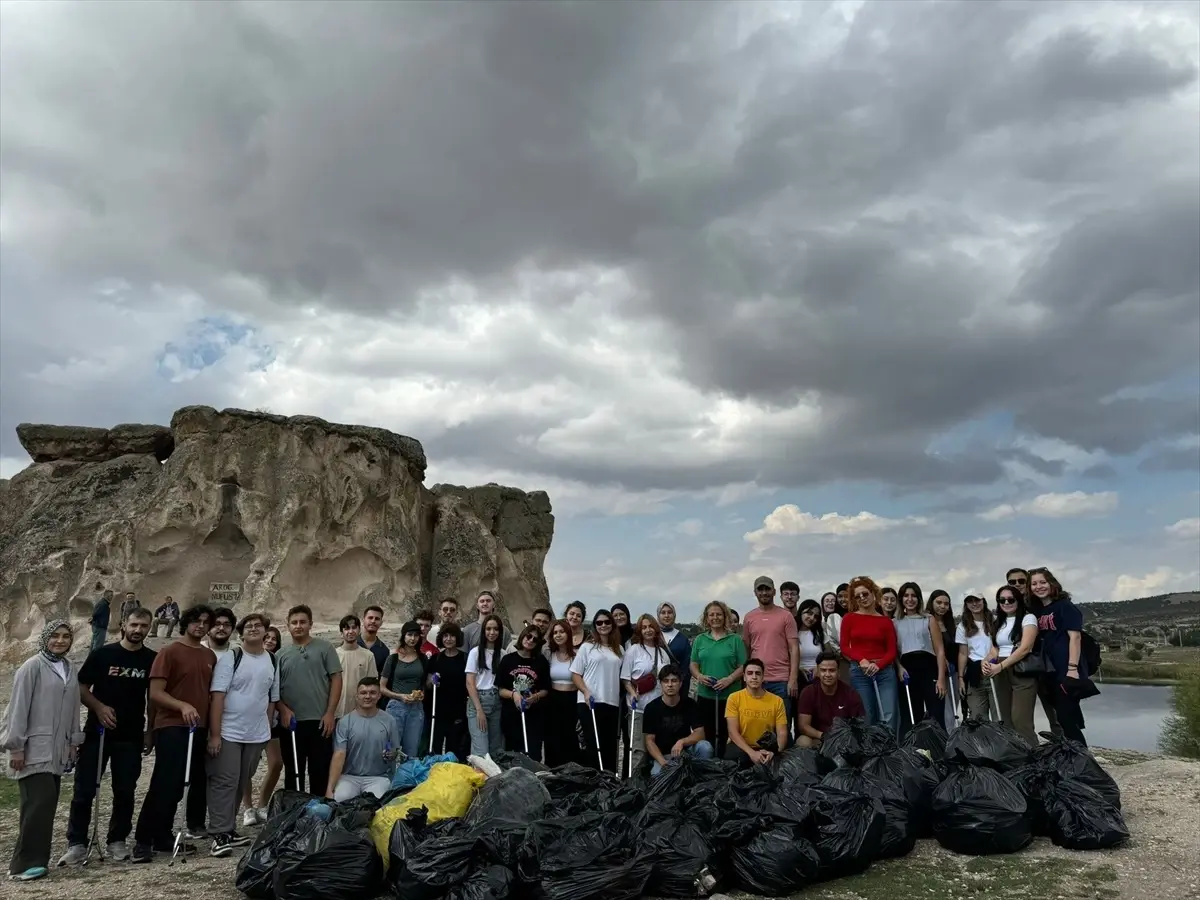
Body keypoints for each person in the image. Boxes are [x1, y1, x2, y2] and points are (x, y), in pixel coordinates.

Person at [59, 608, 155, 867]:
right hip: (97, 734)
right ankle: (77, 843)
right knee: (84, 789)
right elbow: (81, 687)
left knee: (125, 790)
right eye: (134, 624)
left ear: (149, 628)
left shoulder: (151, 659)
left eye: (144, 626)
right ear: (124, 625)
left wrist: (150, 731)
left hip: (131, 734)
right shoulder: (103, 654)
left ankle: (117, 840)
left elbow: (153, 698)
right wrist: (99, 707)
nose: (138, 630)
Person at [132, 604, 216, 864]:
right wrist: (182, 706)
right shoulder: (169, 652)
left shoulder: (209, 655)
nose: (200, 626)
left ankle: (163, 835)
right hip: (171, 725)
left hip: (197, 728)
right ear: (186, 623)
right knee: (163, 782)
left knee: (181, 784)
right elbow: (156, 693)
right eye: (195, 621)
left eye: (205, 622)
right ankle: (143, 841)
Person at [3, 621, 84, 882]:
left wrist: (73, 742)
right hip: (32, 749)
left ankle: (33, 861)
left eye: (66, 637)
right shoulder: (32, 667)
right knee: (38, 803)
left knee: (45, 805)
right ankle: (24, 865)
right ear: (46, 638)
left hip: (57, 750)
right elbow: (17, 708)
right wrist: (15, 747)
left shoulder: (69, 668)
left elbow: (73, 708)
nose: (60, 641)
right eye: (55, 636)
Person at [206, 613, 279, 857]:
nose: (254, 629)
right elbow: (217, 695)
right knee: (225, 781)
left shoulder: (271, 659)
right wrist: (215, 734)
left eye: (258, 625)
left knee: (240, 780)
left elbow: (271, 698)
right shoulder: (232, 657)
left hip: (256, 733)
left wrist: (266, 729)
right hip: (229, 730)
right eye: (248, 626)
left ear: (266, 631)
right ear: (241, 633)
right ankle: (218, 834)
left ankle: (229, 828)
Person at [276, 604, 343, 798]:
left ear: (310, 624)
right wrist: (283, 710)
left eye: (303, 622)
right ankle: (294, 811)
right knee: (293, 771)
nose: (298, 626)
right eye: (294, 622)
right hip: (292, 723)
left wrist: (330, 712)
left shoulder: (325, 648)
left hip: (320, 721)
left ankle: (317, 813)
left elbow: (336, 679)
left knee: (319, 771)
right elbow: (273, 690)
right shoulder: (280, 655)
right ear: (287, 626)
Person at [1029, 567, 1094, 745]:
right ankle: (1074, 757)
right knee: (1062, 717)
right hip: (1048, 670)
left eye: (1042, 582)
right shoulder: (1036, 611)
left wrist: (1072, 669)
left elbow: (1075, 637)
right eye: (1034, 584)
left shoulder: (1065, 606)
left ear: (1052, 583)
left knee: (1067, 718)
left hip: (1066, 669)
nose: (1038, 586)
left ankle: (1083, 758)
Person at [841, 576, 900, 734]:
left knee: (888, 714)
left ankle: (889, 752)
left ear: (873, 594)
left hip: (884, 672)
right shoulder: (849, 618)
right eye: (857, 596)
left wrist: (878, 665)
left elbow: (891, 651)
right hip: (860, 671)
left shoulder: (885, 621)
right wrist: (862, 660)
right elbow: (845, 646)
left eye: (865, 594)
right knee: (866, 714)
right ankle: (868, 753)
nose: (862, 598)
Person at [327, 678, 401, 801]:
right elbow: (339, 755)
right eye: (363, 693)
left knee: (377, 805)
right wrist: (330, 789)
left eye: (372, 693)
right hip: (349, 777)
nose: (368, 696)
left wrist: (392, 754)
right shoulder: (345, 722)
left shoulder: (389, 721)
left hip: (378, 778)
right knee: (340, 800)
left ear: (379, 696)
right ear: (357, 696)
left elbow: (395, 751)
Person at [742, 576, 799, 730]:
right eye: (760, 589)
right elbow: (746, 650)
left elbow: (794, 648)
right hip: (756, 679)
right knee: (759, 727)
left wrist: (793, 678)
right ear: (755, 592)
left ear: (774, 592)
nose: (764, 592)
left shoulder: (786, 616)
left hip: (781, 680)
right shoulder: (749, 617)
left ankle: (785, 754)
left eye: (767, 589)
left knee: (783, 726)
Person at [984, 585, 1039, 747]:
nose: (1006, 602)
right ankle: (1013, 757)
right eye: (1002, 600)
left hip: (1021, 670)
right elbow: (994, 649)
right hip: (1000, 670)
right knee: (1004, 718)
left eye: (1011, 599)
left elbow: (1025, 648)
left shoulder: (1028, 618)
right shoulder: (997, 622)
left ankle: (1034, 757)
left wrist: (1000, 667)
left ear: (1018, 600)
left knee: (1021, 720)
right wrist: (985, 662)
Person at [690, 601, 746, 758]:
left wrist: (729, 679)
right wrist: (700, 676)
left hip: (730, 696)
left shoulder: (735, 640)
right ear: (707, 618)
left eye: (719, 614)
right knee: (706, 735)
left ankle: (726, 766)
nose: (715, 617)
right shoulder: (700, 640)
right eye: (712, 615)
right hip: (705, 695)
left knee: (727, 734)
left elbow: (743, 666)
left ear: (725, 616)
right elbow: (693, 665)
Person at [570, 609, 624, 772]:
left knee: (610, 745)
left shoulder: (619, 650)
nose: (603, 625)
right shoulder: (588, 647)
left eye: (607, 622)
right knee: (593, 744)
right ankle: (593, 781)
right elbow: (576, 674)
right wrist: (586, 691)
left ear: (612, 624)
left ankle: (609, 780)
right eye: (599, 623)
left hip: (611, 702)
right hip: (590, 701)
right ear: (594, 626)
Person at [893, 582, 948, 732]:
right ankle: (912, 752)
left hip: (929, 668)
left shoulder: (928, 619)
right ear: (901, 599)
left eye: (913, 596)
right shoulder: (895, 622)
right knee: (910, 716)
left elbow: (940, 650)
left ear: (919, 599)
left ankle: (941, 751)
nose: (910, 599)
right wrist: (899, 667)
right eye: (906, 596)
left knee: (936, 714)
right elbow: (894, 651)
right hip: (907, 670)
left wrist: (941, 679)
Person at [621, 615, 672, 773]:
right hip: (640, 708)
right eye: (644, 627)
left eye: (651, 626)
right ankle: (634, 784)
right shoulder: (633, 650)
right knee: (639, 750)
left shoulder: (663, 652)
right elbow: (625, 678)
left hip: (658, 709)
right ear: (639, 631)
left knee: (657, 748)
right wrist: (632, 693)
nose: (648, 630)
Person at [245, 625, 285, 825]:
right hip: (249, 719)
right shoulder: (246, 658)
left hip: (272, 720)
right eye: (267, 637)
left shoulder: (275, 661)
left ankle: (262, 804)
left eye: (274, 639)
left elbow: (277, 692)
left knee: (276, 763)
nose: (270, 641)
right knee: (246, 767)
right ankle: (247, 809)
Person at [643, 665, 713, 776]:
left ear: (680, 684)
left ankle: (699, 779)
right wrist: (663, 763)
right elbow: (649, 741)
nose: (670, 685)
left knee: (705, 747)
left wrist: (682, 742)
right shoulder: (651, 708)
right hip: (663, 756)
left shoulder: (690, 704)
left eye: (674, 681)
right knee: (657, 776)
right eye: (666, 681)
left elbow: (700, 734)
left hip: (685, 753)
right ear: (661, 684)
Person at [497, 625, 551, 757]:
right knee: (512, 752)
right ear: (522, 636)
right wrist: (514, 695)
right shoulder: (507, 660)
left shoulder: (541, 661)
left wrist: (535, 696)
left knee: (533, 752)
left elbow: (546, 689)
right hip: (511, 715)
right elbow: (500, 689)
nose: (531, 640)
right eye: (528, 636)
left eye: (535, 639)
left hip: (534, 716)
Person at [723, 659, 788, 767]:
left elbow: (782, 733)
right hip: (741, 747)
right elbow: (733, 732)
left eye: (758, 673)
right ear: (744, 677)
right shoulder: (734, 698)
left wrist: (773, 752)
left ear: (763, 677)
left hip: (766, 748)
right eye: (750, 673)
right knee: (738, 759)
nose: (754, 677)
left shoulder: (777, 701)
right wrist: (752, 753)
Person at [795, 653, 866, 747]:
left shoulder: (851, 694)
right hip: (818, 738)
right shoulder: (808, 692)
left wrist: (842, 739)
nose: (827, 674)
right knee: (802, 741)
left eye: (832, 670)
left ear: (839, 672)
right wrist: (824, 736)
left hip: (844, 742)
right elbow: (803, 726)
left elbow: (859, 725)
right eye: (823, 670)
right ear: (818, 672)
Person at [381, 622, 427, 759]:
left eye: (416, 635)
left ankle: (407, 779)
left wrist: (423, 692)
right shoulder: (393, 659)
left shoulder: (423, 659)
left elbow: (424, 684)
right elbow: (382, 687)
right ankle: (389, 779)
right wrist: (399, 696)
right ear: (403, 636)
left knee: (411, 751)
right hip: (396, 707)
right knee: (391, 750)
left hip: (416, 708)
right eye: (409, 635)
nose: (412, 639)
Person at [466, 615, 506, 758]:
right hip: (478, 700)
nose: (492, 632)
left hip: (496, 701)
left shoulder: (502, 654)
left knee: (496, 749)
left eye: (495, 629)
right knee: (480, 751)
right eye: (488, 628)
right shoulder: (475, 652)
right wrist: (479, 710)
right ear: (483, 631)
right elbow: (470, 683)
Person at [427, 624, 469, 758]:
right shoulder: (435, 659)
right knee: (436, 750)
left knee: (454, 751)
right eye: (445, 636)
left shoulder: (465, 658)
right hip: (437, 713)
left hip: (458, 713)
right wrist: (432, 681)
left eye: (452, 636)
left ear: (458, 638)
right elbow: (427, 684)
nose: (448, 639)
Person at [956, 595, 998, 721]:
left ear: (983, 601)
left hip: (995, 671)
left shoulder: (995, 621)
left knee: (999, 717)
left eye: (977, 600)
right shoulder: (963, 626)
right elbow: (963, 653)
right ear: (966, 605)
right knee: (977, 719)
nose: (974, 604)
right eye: (970, 601)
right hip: (975, 673)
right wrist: (961, 678)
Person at [543, 620, 579, 767]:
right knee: (552, 739)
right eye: (555, 632)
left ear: (568, 634)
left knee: (570, 738)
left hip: (571, 700)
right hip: (553, 700)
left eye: (561, 632)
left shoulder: (577, 656)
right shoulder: (549, 654)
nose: (558, 635)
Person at [334, 615, 379, 720]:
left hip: (360, 712)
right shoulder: (333, 655)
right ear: (341, 633)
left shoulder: (368, 655)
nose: (350, 631)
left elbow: (372, 684)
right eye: (346, 628)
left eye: (354, 627)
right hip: (337, 711)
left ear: (359, 630)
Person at [927, 589, 959, 727]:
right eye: (939, 602)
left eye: (946, 604)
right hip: (937, 672)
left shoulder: (951, 624)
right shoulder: (926, 622)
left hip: (953, 673)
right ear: (931, 603)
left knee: (953, 708)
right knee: (945, 711)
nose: (942, 606)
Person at [657, 603, 692, 697]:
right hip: (654, 686)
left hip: (675, 687)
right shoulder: (653, 635)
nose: (666, 615)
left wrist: (681, 689)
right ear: (658, 615)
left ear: (674, 615)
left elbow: (686, 667)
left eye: (670, 612)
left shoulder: (682, 639)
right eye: (663, 612)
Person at [358, 605, 390, 689]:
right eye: (370, 617)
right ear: (363, 619)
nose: (373, 621)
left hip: (371, 696)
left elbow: (382, 678)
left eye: (377, 619)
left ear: (381, 623)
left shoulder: (384, 650)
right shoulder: (351, 644)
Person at [795, 599, 825, 685]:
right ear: (801, 612)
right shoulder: (792, 632)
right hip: (797, 676)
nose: (812, 618)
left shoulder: (820, 633)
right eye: (809, 613)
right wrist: (798, 669)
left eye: (816, 616)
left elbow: (828, 654)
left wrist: (818, 667)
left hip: (818, 676)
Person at [89, 588, 113, 653]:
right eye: (110, 595)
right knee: (98, 645)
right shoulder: (103, 604)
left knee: (94, 643)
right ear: (106, 596)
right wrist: (94, 620)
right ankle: (95, 660)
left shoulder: (103, 603)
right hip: (100, 627)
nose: (112, 597)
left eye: (112, 595)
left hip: (98, 626)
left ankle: (91, 659)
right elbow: (95, 613)